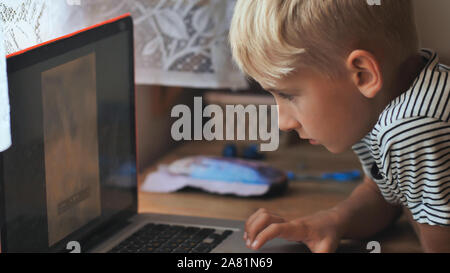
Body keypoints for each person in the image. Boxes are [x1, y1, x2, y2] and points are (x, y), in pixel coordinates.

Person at [229, 0, 450, 252]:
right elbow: (386, 196)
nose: (283, 122)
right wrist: (333, 221)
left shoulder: (411, 127)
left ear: (363, 75)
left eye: (289, 95)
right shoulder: (378, 108)